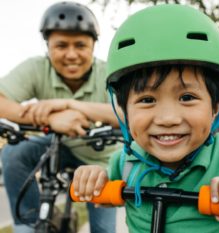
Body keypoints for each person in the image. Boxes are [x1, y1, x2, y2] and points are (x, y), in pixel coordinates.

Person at [72, 4, 219, 233]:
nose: (168, 118)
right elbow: (105, 198)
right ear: (123, 111)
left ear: (215, 107)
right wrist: (93, 180)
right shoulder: (125, 163)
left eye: (187, 97)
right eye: (147, 100)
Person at [0, 2, 120, 233]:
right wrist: (51, 120)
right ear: (48, 46)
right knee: (13, 153)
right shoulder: (36, 68)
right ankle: (26, 226)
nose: (71, 54)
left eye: (80, 45)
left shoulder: (108, 73)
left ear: (93, 46)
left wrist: (70, 104)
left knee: (103, 229)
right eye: (61, 45)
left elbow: (127, 113)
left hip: (101, 161)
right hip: (59, 145)